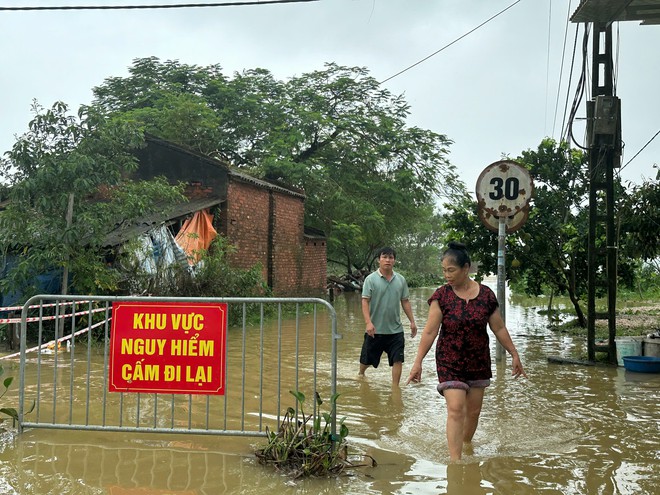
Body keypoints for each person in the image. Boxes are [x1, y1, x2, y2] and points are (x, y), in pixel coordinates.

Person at [406, 241, 526, 462]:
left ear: (466, 268)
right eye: (444, 271)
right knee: (456, 408)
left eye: (451, 270)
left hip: (478, 361)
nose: (446, 276)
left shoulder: (486, 296)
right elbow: (430, 332)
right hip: (449, 361)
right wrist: (418, 362)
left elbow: (498, 327)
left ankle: (466, 444)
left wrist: (514, 354)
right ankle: (456, 462)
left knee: (473, 412)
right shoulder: (441, 296)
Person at [360, 246, 417, 385]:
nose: (387, 260)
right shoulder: (370, 279)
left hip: (395, 330)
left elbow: (405, 301)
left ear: (394, 261)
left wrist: (412, 321)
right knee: (367, 360)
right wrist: (368, 322)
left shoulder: (401, 280)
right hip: (375, 330)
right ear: (379, 260)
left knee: (398, 359)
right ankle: (361, 374)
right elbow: (365, 301)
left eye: (390, 257)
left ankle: (395, 388)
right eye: (384, 257)